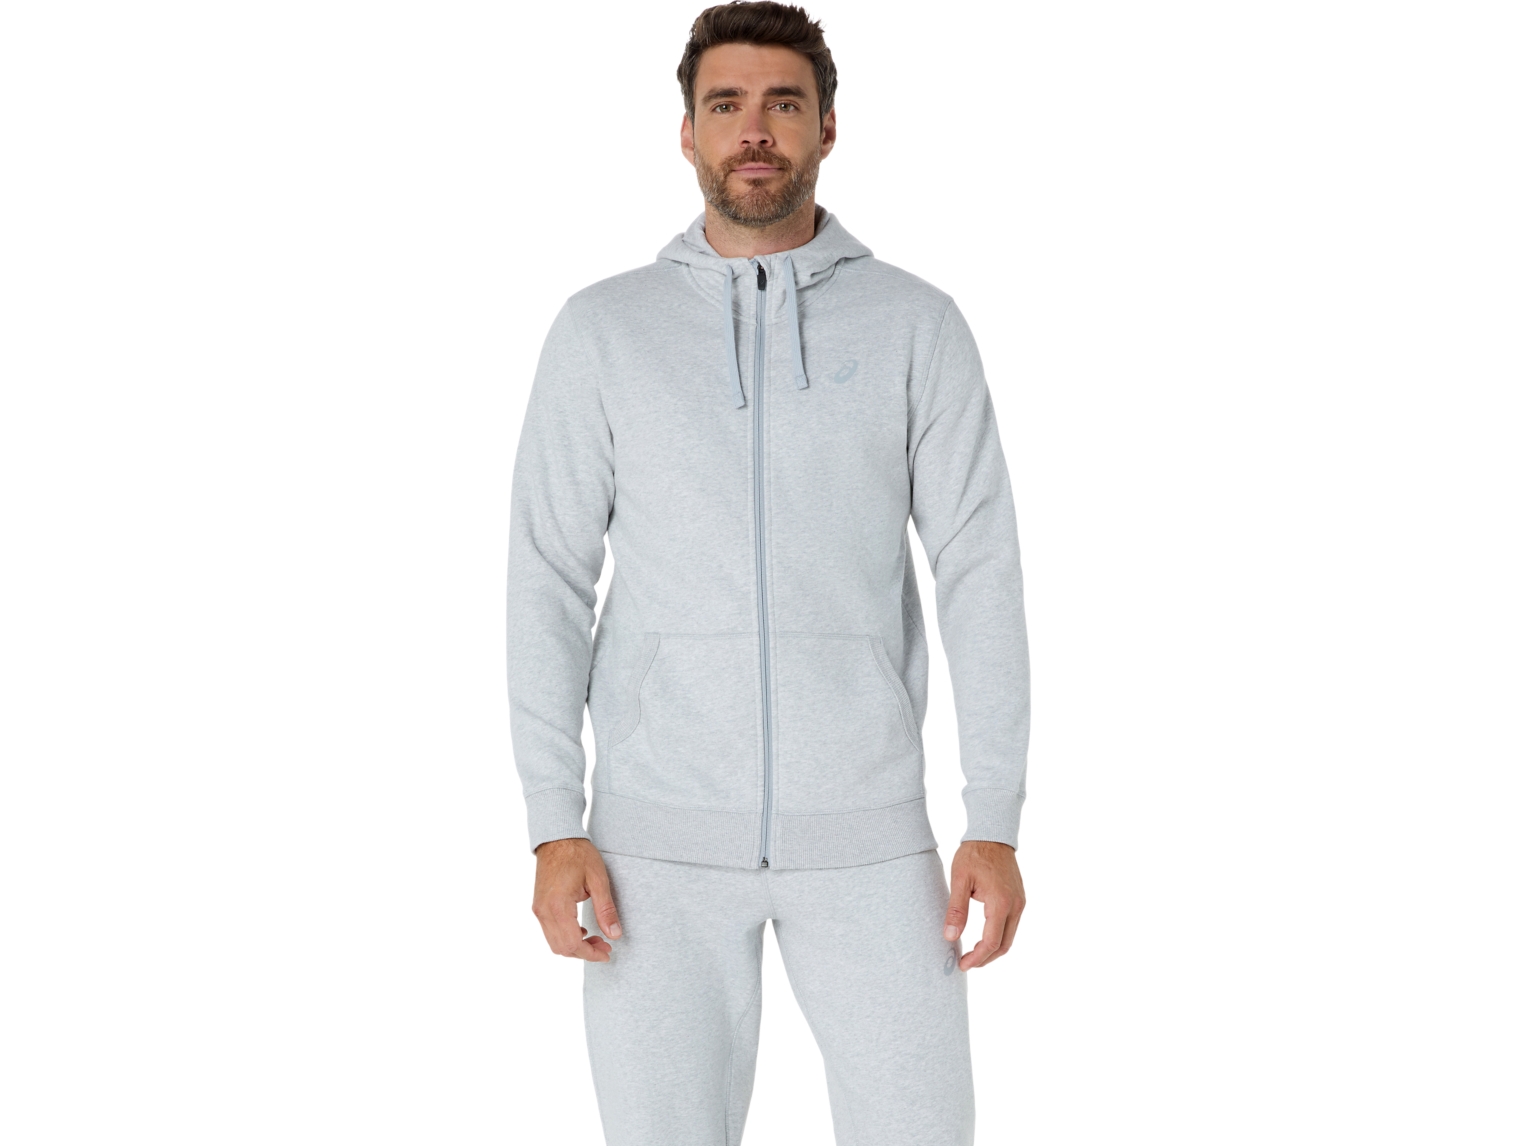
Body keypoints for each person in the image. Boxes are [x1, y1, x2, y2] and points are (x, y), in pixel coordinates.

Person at [506, 3, 1030, 1143]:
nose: (755, 130)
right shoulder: (603, 331)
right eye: (727, 105)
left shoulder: (916, 326)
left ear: (827, 128)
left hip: (872, 840)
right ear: (686, 132)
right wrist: (553, 824)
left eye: (783, 104)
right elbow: (547, 575)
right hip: (650, 849)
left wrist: (993, 818)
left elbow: (978, 568)